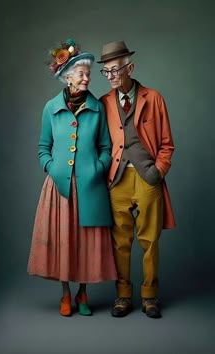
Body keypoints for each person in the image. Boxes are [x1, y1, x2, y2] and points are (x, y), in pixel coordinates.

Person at [27, 38, 116, 317]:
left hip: (90, 187)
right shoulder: (50, 108)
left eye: (89, 73)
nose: (87, 77)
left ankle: (83, 293)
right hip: (60, 188)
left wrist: (99, 168)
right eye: (82, 73)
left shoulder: (97, 107)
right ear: (68, 77)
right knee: (65, 240)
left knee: (87, 243)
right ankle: (65, 294)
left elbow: (106, 147)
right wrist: (52, 168)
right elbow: (43, 148)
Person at [98, 40, 175, 318]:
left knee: (149, 241)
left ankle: (150, 295)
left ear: (129, 67)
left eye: (115, 70)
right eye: (105, 72)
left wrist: (157, 171)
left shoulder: (153, 98)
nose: (111, 77)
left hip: (147, 179)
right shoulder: (103, 103)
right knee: (119, 242)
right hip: (116, 180)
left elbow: (167, 144)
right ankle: (122, 295)